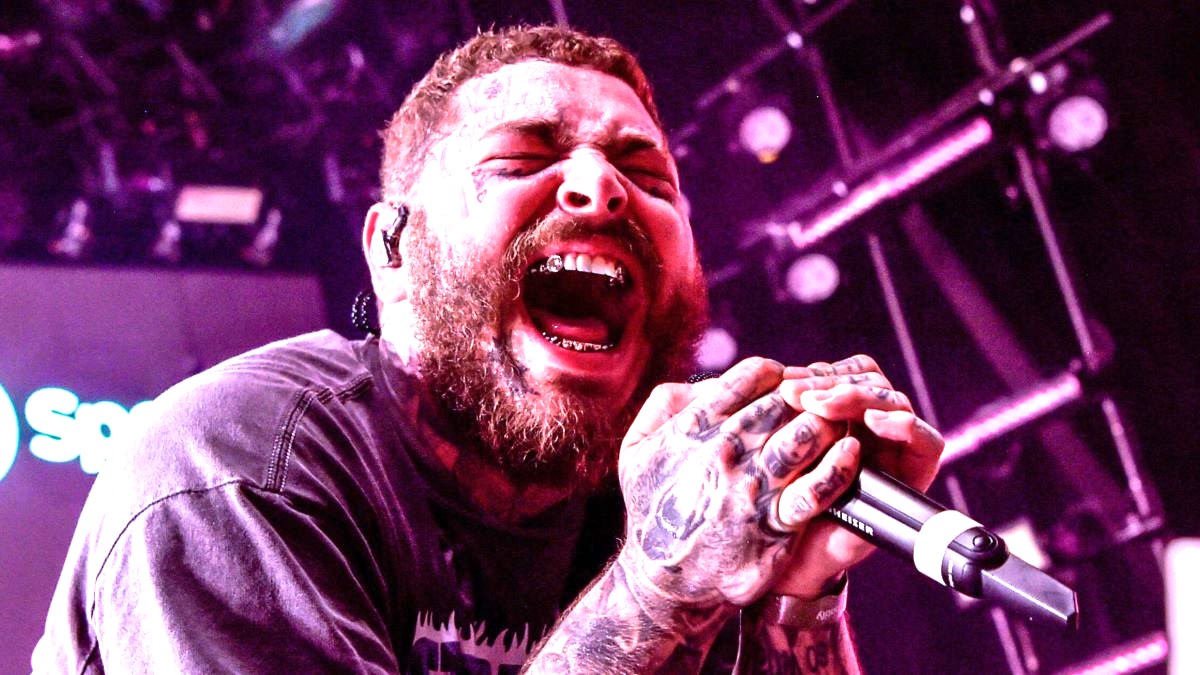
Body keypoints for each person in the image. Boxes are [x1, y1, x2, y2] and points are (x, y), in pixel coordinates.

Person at [34, 25, 943, 673]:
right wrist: (655, 592)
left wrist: (803, 597)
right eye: (521, 159)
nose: (599, 186)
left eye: (648, 173)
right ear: (393, 251)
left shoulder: (682, 501)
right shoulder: (235, 469)